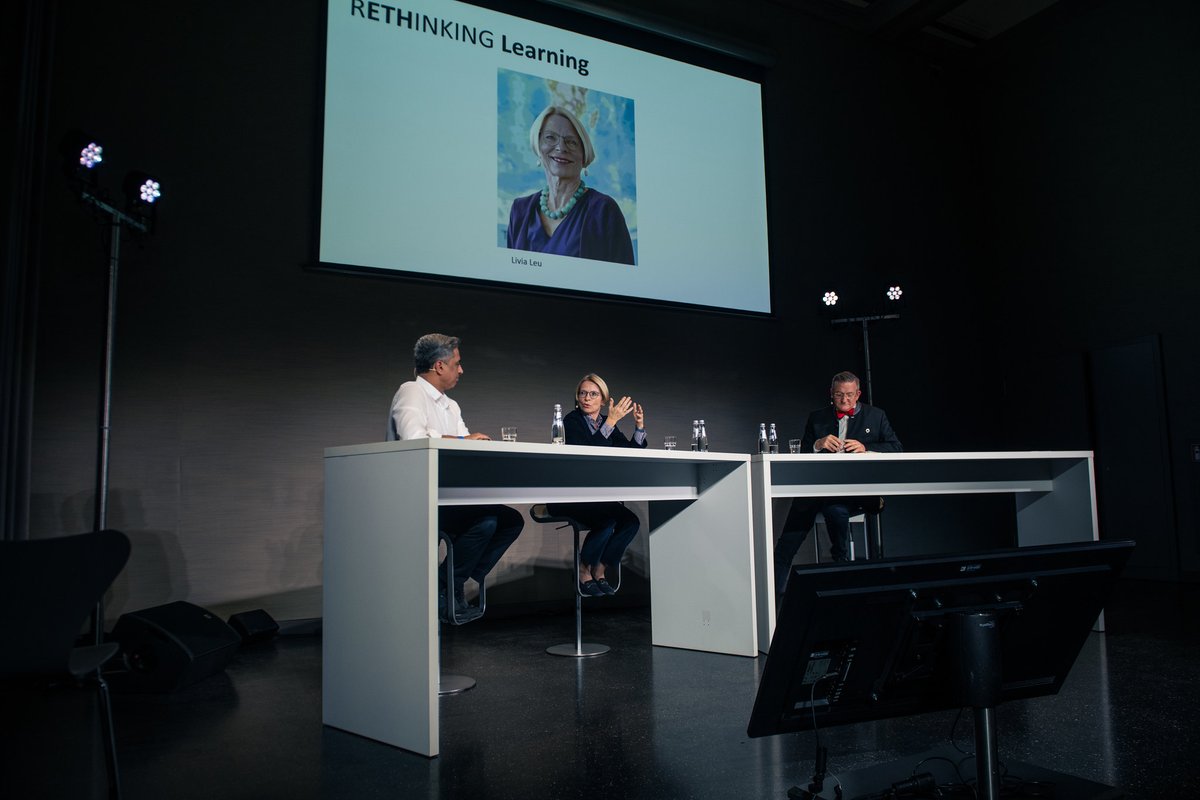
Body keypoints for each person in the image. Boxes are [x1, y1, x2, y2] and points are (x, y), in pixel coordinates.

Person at [388, 333, 524, 619]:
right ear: (439, 366)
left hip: (449, 496)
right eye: (457, 364)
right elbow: (413, 438)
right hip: (417, 498)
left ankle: (448, 582)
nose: (461, 370)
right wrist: (464, 440)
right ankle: (448, 586)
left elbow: (465, 445)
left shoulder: (451, 406)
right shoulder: (411, 391)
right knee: (485, 521)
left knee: (511, 520)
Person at [773, 371, 902, 593]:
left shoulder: (876, 416)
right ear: (831, 394)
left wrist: (867, 449)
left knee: (836, 511)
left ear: (858, 394)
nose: (844, 400)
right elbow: (800, 454)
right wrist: (817, 444)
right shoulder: (817, 417)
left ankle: (839, 570)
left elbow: (896, 448)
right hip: (816, 489)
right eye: (839, 395)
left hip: (855, 491)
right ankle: (773, 595)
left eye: (850, 395)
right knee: (788, 540)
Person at [548, 373, 646, 597]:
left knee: (630, 522)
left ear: (603, 400)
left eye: (593, 394)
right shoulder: (570, 422)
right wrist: (611, 421)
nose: (586, 398)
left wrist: (639, 427)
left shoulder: (604, 423)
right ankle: (583, 569)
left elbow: (632, 452)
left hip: (596, 496)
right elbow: (586, 451)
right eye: (582, 393)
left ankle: (599, 568)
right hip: (569, 495)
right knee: (607, 521)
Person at [506, 105, 635, 265]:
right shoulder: (520, 210)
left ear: (584, 155)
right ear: (538, 146)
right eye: (550, 137)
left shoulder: (604, 210)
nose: (561, 147)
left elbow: (623, 279)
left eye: (571, 142)